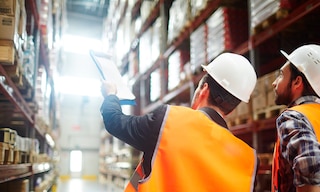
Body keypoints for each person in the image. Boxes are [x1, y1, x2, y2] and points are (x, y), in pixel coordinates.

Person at [100, 52, 258, 191]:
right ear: (234, 107)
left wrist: (111, 95)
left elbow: (115, 122)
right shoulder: (248, 160)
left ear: (203, 89)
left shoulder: (169, 121)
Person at [271, 44, 320, 192]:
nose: (274, 83)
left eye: (281, 75)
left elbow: (310, 165)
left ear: (297, 82)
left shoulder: (293, 117)